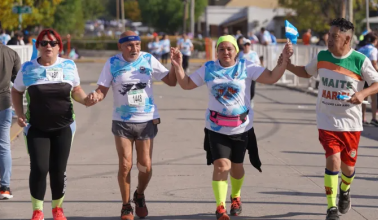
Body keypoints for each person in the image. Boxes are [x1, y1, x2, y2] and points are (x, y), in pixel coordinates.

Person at [170, 35, 293, 220]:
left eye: (229, 49)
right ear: (217, 51)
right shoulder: (209, 68)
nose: (226, 52)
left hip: (241, 129)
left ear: (236, 50)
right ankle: (220, 207)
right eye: (222, 49)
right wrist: (178, 66)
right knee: (221, 166)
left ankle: (235, 196)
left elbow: (272, 77)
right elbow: (186, 84)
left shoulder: (246, 66)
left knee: (237, 167)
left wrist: (283, 61)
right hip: (216, 128)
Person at [283, 18, 378, 220]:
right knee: (333, 161)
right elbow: (305, 72)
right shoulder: (322, 56)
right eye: (329, 34)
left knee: (348, 168)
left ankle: (344, 191)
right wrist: (287, 65)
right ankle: (331, 209)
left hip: (351, 123)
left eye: (335, 36)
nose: (329, 39)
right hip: (327, 120)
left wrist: (363, 94)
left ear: (347, 39)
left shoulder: (359, 60)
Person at [85, 31, 177, 220]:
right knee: (125, 164)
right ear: (120, 46)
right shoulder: (112, 63)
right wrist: (95, 96)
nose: (134, 48)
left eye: (137, 44)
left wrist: (175, 65)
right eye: (129, 45)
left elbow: (171, 81)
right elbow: (102, 90)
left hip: (146, 120)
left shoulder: (148, 59)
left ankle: (139, 194)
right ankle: (126, 205)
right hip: (122, 121)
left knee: (145, 166)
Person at [11, 28, 89, 220]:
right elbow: (16, 91)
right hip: (36, 127)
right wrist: (20, 114)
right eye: (44, 43)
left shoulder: (69, 66)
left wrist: (87, 99)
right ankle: (37, 210)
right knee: (39, 167)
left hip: (64, 127)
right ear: (37, 46)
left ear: (59, 47)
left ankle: (57, 209)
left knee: (58, 169)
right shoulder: (28, 68)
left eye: (53, 43)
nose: (48, 46)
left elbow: (76, 90)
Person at [0, 41, 21, 200]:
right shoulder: (11, 54)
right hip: (4, 103)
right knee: (4, 145)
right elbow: (19, 81)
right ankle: (5, 187)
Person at [357, 33, 378, 127]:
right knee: (374, 99)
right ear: (374, 41)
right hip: (370, 76)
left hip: (361, 75)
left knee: (364, 98)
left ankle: (363, 118)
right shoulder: (374, 49)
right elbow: (374, 62)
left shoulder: (361, 49)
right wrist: (377, 74)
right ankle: (374, 118)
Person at [238, 39, 261, 108]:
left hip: (252, 74)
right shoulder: (241, 54)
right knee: (243, 89)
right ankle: (244, 102)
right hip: (243, 75)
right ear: (243, 46)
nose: (247, 46)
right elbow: (238, 63)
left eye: (248, 44)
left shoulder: (253, 54)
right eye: (245, 45)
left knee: (252, 90)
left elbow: (258, 62)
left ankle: (251, 100)